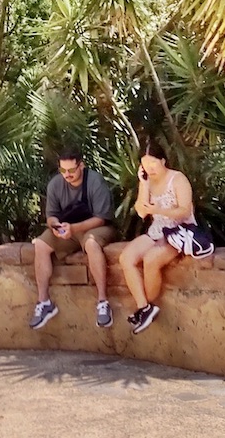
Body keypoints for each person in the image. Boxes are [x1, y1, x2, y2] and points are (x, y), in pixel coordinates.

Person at [29, 147, 117, 331]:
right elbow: (51, 216)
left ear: (81, 166)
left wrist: (74, 228)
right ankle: (44, 302)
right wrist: (55, 226)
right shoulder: (55, 184)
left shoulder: (95, 181)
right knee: (41, 245)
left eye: (71, 170)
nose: (67, 175)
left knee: (92, 245)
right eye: (63, 170)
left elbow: (101, 218)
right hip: (67, 229)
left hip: (96, 227)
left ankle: (102, 301)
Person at [119, 140, 196, 334]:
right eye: (145, 165)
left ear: (162, 160)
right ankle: (145, 307)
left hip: (179, 231)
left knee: (151, 260)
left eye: (153, 163)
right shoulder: (148, 181)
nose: (149, 168)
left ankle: (145, 308)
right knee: (126, 258)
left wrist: (160, 209)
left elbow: (185, 210)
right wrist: (143, 184)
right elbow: (141, 212)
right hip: (156, 230)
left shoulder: (178, 179)